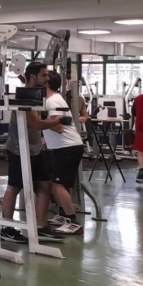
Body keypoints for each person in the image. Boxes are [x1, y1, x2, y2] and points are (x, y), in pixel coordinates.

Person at [1, 62, 64, 243]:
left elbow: (39, 121)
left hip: (35, 149)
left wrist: (54, 125)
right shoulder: (24, 97)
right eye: (44, 75)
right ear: (32, 77)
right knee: (14, 187)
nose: (47, 79)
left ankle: (40, 226)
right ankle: (7, 228)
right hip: (18, 149)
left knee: (44, 186)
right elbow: (35, 123)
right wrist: (58, 120)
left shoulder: (38, 96)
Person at [42, 71, 85, 236]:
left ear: (46, 83)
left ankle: (73, 222)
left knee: (58, 185)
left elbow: (58, 127)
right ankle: (62, 216)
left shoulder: (52, 101)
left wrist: (37, 120)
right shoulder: (53, 99)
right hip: (62, 147)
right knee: (54, 183)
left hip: (68, 147)